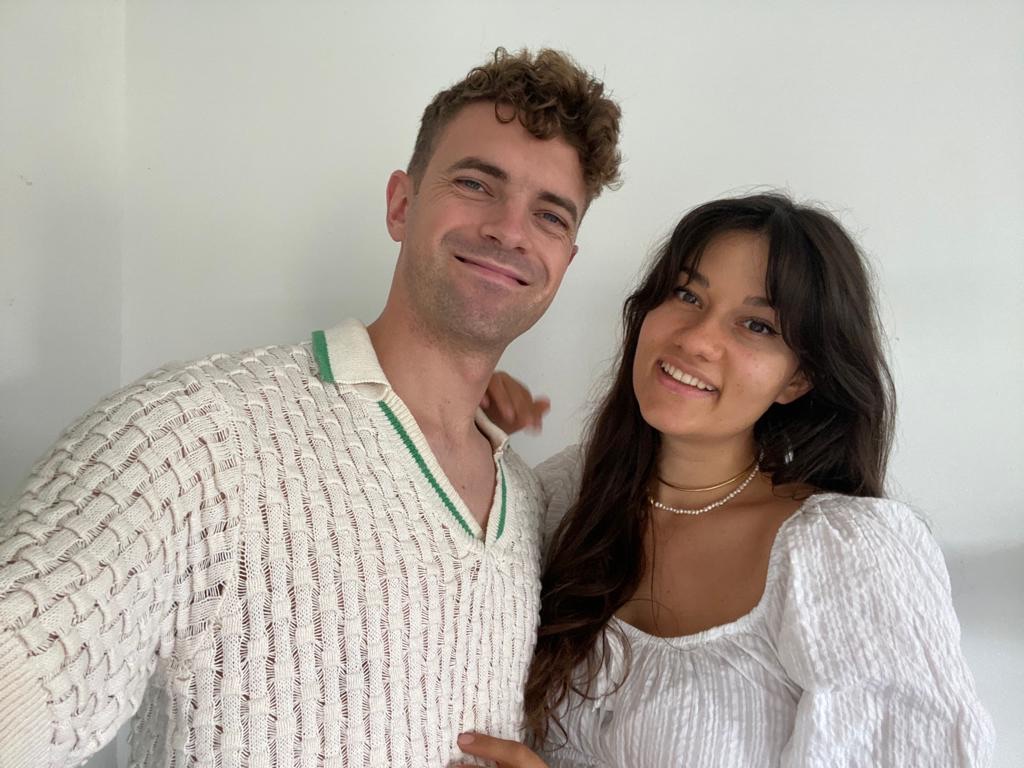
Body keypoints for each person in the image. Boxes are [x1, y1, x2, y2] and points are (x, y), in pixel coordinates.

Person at [0, 48, 622, 768]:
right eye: (476, 183)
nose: (509, 230)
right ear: (401, 204)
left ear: (565, 261)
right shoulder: (191, 436)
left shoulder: (527, 502)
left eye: (549, 215)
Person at [460, 194, 995, 767]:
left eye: (757, 325)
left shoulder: (847, 554)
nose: (695, 338)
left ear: (799, 378)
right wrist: (462, 422)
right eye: (686, 295)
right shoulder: (569, 495)